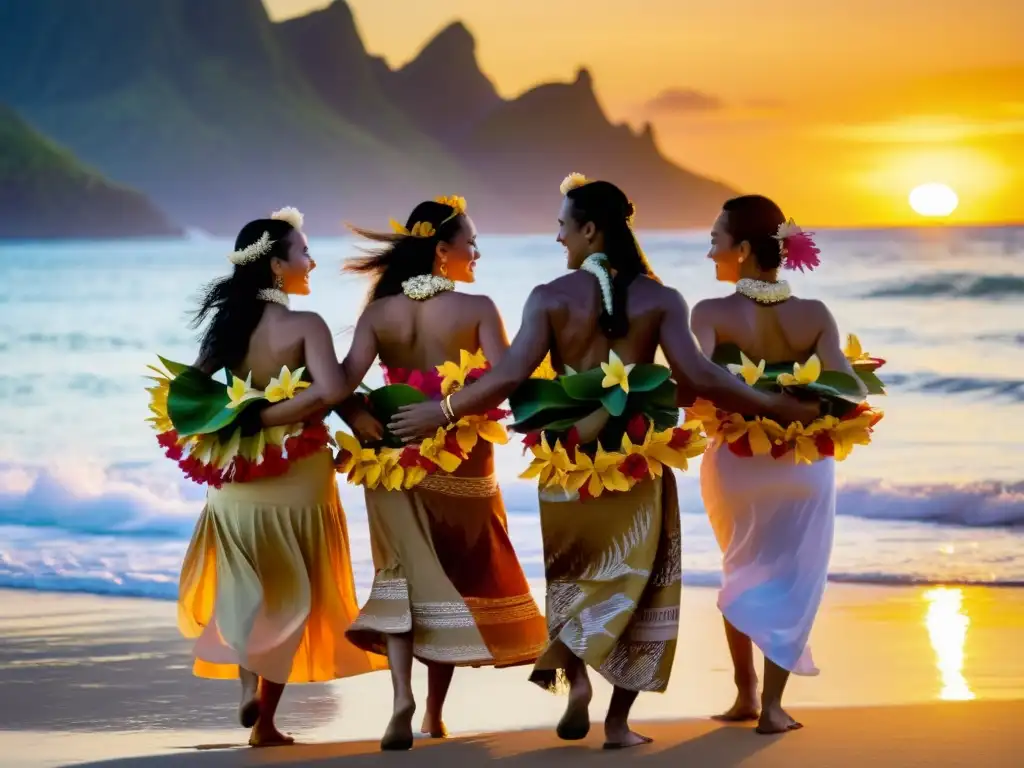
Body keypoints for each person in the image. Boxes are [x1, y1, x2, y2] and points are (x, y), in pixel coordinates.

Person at [389, 176, 818, 749]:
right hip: (636, 466)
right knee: (640, 590)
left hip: (567, 467)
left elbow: (509, 376)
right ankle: (617, 724)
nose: (557, 237)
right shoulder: (661, 298)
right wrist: (770, 404)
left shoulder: (548, 296)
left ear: (590, 230)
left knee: (573, 581)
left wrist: (440, 412)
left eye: (563, 226)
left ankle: (577, 686)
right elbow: (699, 377)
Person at [149, 208, 385, 748]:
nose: (312, 260)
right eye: (303, 252)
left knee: (247, 590)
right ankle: (266, 725)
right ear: (277, 265)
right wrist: (282, 413)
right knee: (292, 594)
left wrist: (243, 417)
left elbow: (193, 393)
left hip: (236, 476)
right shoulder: (305, 325)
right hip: (297, 474)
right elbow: (329, 390)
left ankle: (245, 690)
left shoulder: (226, 328)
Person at [335, 196, 548, 751]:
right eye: (470, 242)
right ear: (442, 249)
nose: (476, 252)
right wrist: (450, 410)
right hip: (463, 459)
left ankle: (404, 697)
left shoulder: (379, 314)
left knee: (403, 578)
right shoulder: (476, 308)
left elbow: (338, 383)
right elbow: (506, 381)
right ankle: (432, 712)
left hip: (393, 461)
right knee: (449, 579)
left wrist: (360, 419)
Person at [690, 194, 869, 734]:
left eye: (715, 241)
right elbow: (849, 390)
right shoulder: (813, 314)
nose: (710, 253)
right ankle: (771, 706)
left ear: (744, 250)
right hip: (801, 463)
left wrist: (754, 400)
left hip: (737, 465)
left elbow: (695, 378)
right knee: (791, 579)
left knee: (741, 569)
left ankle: (744, 694)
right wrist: (789, 404)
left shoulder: (710, 313)